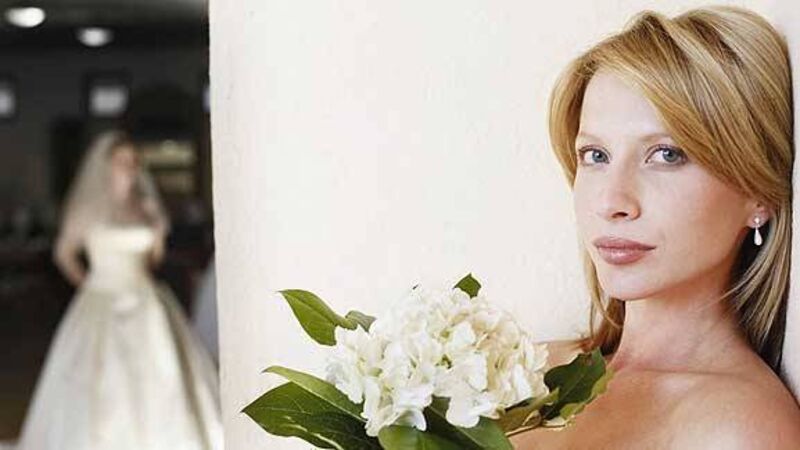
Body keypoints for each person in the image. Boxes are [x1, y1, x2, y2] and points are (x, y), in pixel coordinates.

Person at [511, 6, 800, 449]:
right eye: (596, 156)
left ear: (757, 194)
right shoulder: (527, 370)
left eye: (667, 155)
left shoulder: (740, 429)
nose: (612, 202)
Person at [15, 130, 223, 450]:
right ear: (106, 165)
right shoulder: (87, 210)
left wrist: (157, 231)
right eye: (121, 160)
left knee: (159, 368)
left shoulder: (145, 207)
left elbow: (153, 259)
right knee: (102, 376)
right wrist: (88, 284)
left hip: (145, 297)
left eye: (133, 160)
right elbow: (63, 254)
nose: (129, 166)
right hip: (102, 296)